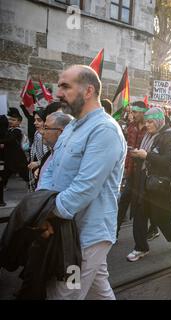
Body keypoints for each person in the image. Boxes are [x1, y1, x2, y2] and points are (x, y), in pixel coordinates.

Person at [39, 65, 126, 299]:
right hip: (67, 229)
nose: (58, 93)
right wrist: (41, 206)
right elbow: (50, 169)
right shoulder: (71, 127)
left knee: (63, 294)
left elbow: (84, 187)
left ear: (88, 91)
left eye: (65, 86)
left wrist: (46, 214)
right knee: (100, 290)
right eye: (59, 86)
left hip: (87, 236)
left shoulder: (105, 130)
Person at [126, 107, 171, 262]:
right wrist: (137, 154)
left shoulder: (170, 136)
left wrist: (146, 155)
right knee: (139, 215)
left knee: (162, 218)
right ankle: (140, 248)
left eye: (150, 122)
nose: (147, 125)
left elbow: (169, 162)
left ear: (158, 121)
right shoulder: (148, 136)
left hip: (159, 186)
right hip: (144, 183)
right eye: (146, 121)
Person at [116, 101, 150, 240]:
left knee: (145, 206)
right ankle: (114, 233)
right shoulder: (130, 127)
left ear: (143, 112)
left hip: (145, 174)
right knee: (123, 200)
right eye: (131, 112)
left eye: (135, 112)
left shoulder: (150, 128)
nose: (132, 115)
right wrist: (125, 168)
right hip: (131, 171)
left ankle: (154, 228)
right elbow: (128, 148)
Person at [35, 111, 73, 189]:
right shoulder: (49, 155)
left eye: (46, 128)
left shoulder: (70, 157)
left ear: (61, 132)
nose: (42, 132)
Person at [0, 109, 29, 188]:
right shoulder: (9, 130)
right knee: (5, 173)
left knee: (24, 172)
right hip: (9, 156)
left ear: (19, 122)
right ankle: (3, 185)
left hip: (17, 157)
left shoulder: (17, 131)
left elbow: (10, 140)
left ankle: (30, 184)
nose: (11, 121)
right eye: (10, 119)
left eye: (13, 120)